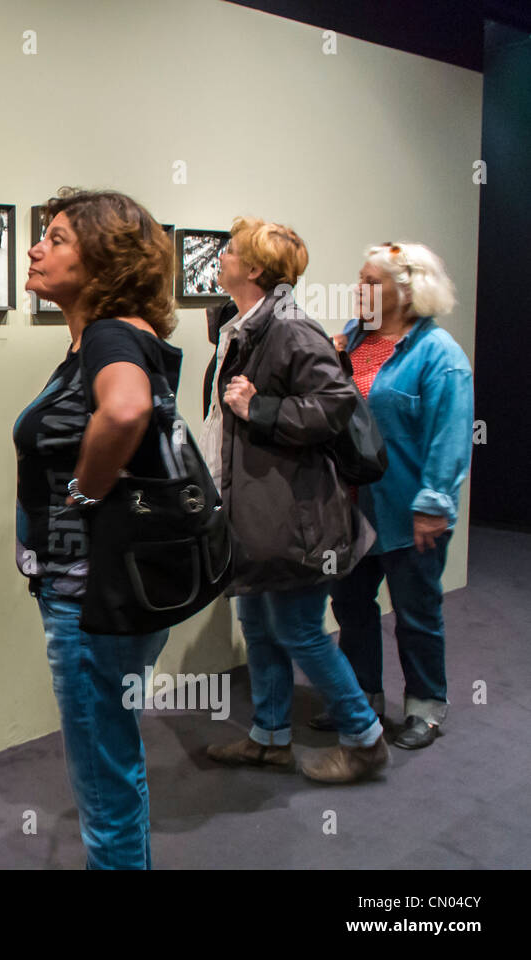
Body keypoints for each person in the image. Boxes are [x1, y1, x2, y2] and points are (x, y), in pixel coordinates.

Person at [15, 189, 179, 869]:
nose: (34, 248)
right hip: (122, 591)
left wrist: (79, 497)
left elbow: (124, 411)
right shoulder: (125, 335)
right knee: (116, 756)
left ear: (102, 259)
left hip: (89, 597)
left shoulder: (110, 334)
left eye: (54, 238)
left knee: (103, 783)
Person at [203, 216, 387, 784]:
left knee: (301, 630)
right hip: (260, 513)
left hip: (297, 517)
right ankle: (270, 737)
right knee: (258, 626)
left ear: (254, 268)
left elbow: (336, 403)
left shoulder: (290, 330)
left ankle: (364, 739)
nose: (220, 258)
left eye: (230, 251)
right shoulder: (245, 328)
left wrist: (258, 408)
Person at [318, 243, 472, 749]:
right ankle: (361, 699)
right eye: (359, 279)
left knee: (415, 613)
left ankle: (425, 707)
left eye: (371, 282)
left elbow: (449, 438)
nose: (358, 289)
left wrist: (435, 505)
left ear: (406, 292)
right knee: (352, 606)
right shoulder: (353, 341)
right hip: (349, 508)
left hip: (407, 510)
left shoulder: (438, 354)